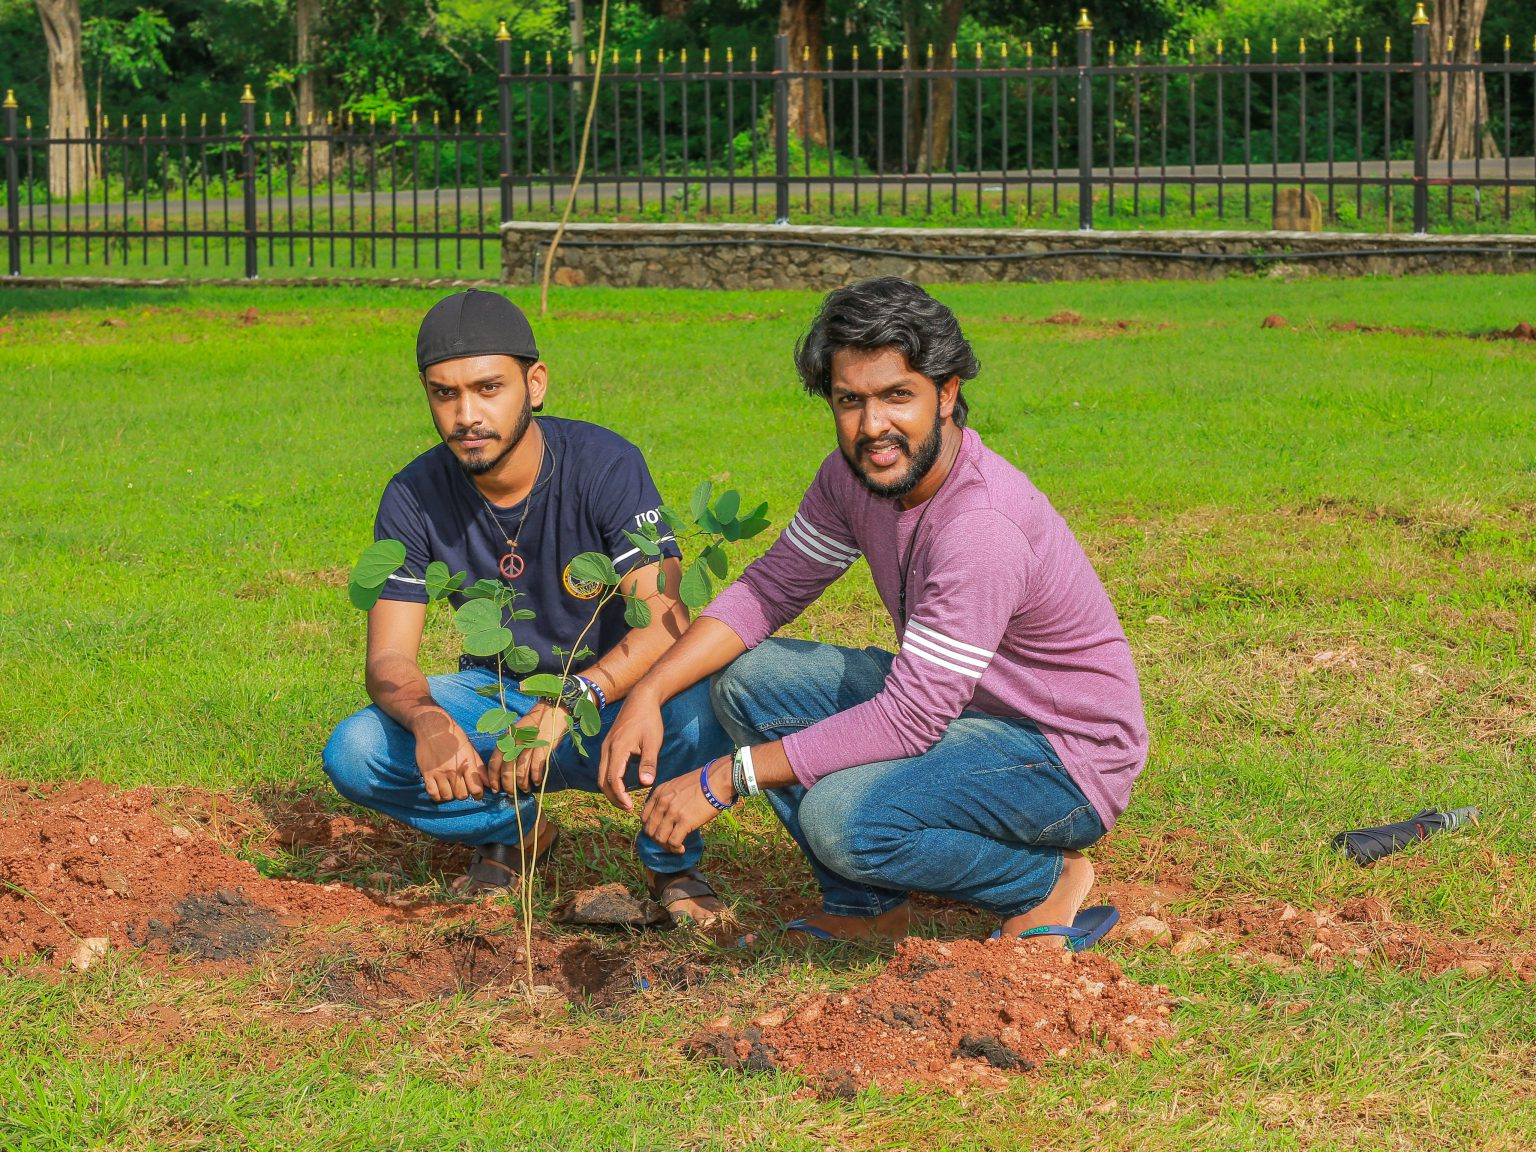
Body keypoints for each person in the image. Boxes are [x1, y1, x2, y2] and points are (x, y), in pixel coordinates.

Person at [600, 278, 1148, 947]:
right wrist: (649, 690)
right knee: (748, 679)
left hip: (1060, 756)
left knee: (841, 820)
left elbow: (912, 716)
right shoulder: (853, 477)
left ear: (946, 393)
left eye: (897, 396)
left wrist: (726, 777)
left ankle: (1041, 881)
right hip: (963, 710)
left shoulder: (981, 527)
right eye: (850, 400)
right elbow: (770, 589)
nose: (872, 427)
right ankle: (867, 907)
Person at [322, 289, 731, 925]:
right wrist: (430, 721)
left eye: (488, 388)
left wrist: (569, 700)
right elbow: (389, 658)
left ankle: (669, 860)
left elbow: (665, 621)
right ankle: (516, 829)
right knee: (357, 749)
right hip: (496, 702)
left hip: (612, 699)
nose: (467, 415)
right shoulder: (413, 494)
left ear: (534, 385)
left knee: (706, 711)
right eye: (445, 394)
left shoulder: (606, 464)